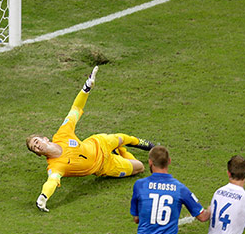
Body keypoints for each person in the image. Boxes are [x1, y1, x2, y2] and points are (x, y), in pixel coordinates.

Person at [27, 66, 156, 212]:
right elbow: (52, 181)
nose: (37, 146)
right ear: (38, 154)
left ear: (45, 138)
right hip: (104, 166)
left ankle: (147, 145)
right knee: (140, 167)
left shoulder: (62, 134)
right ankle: (121, 151)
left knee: (123, 137)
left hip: (98, 143)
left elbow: (75, 109)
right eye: (34, 148)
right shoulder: (55, 166)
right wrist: (43, 197)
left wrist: (86, 88)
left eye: (37, 142)